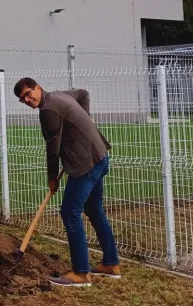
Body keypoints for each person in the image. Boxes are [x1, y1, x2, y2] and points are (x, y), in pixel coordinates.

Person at [13, 77, 121, 288]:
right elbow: (84, 94)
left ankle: (80, 273)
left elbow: (53, 149)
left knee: (70, 212)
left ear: (38, 88)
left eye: (28, 94)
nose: (26, 100)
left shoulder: (48, 111)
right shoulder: (60, 95)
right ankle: (111, 264)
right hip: (99, 156)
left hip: (85, 164)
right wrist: (83, 123)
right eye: (22, 99)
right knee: (94, 209)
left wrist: (52, 178)